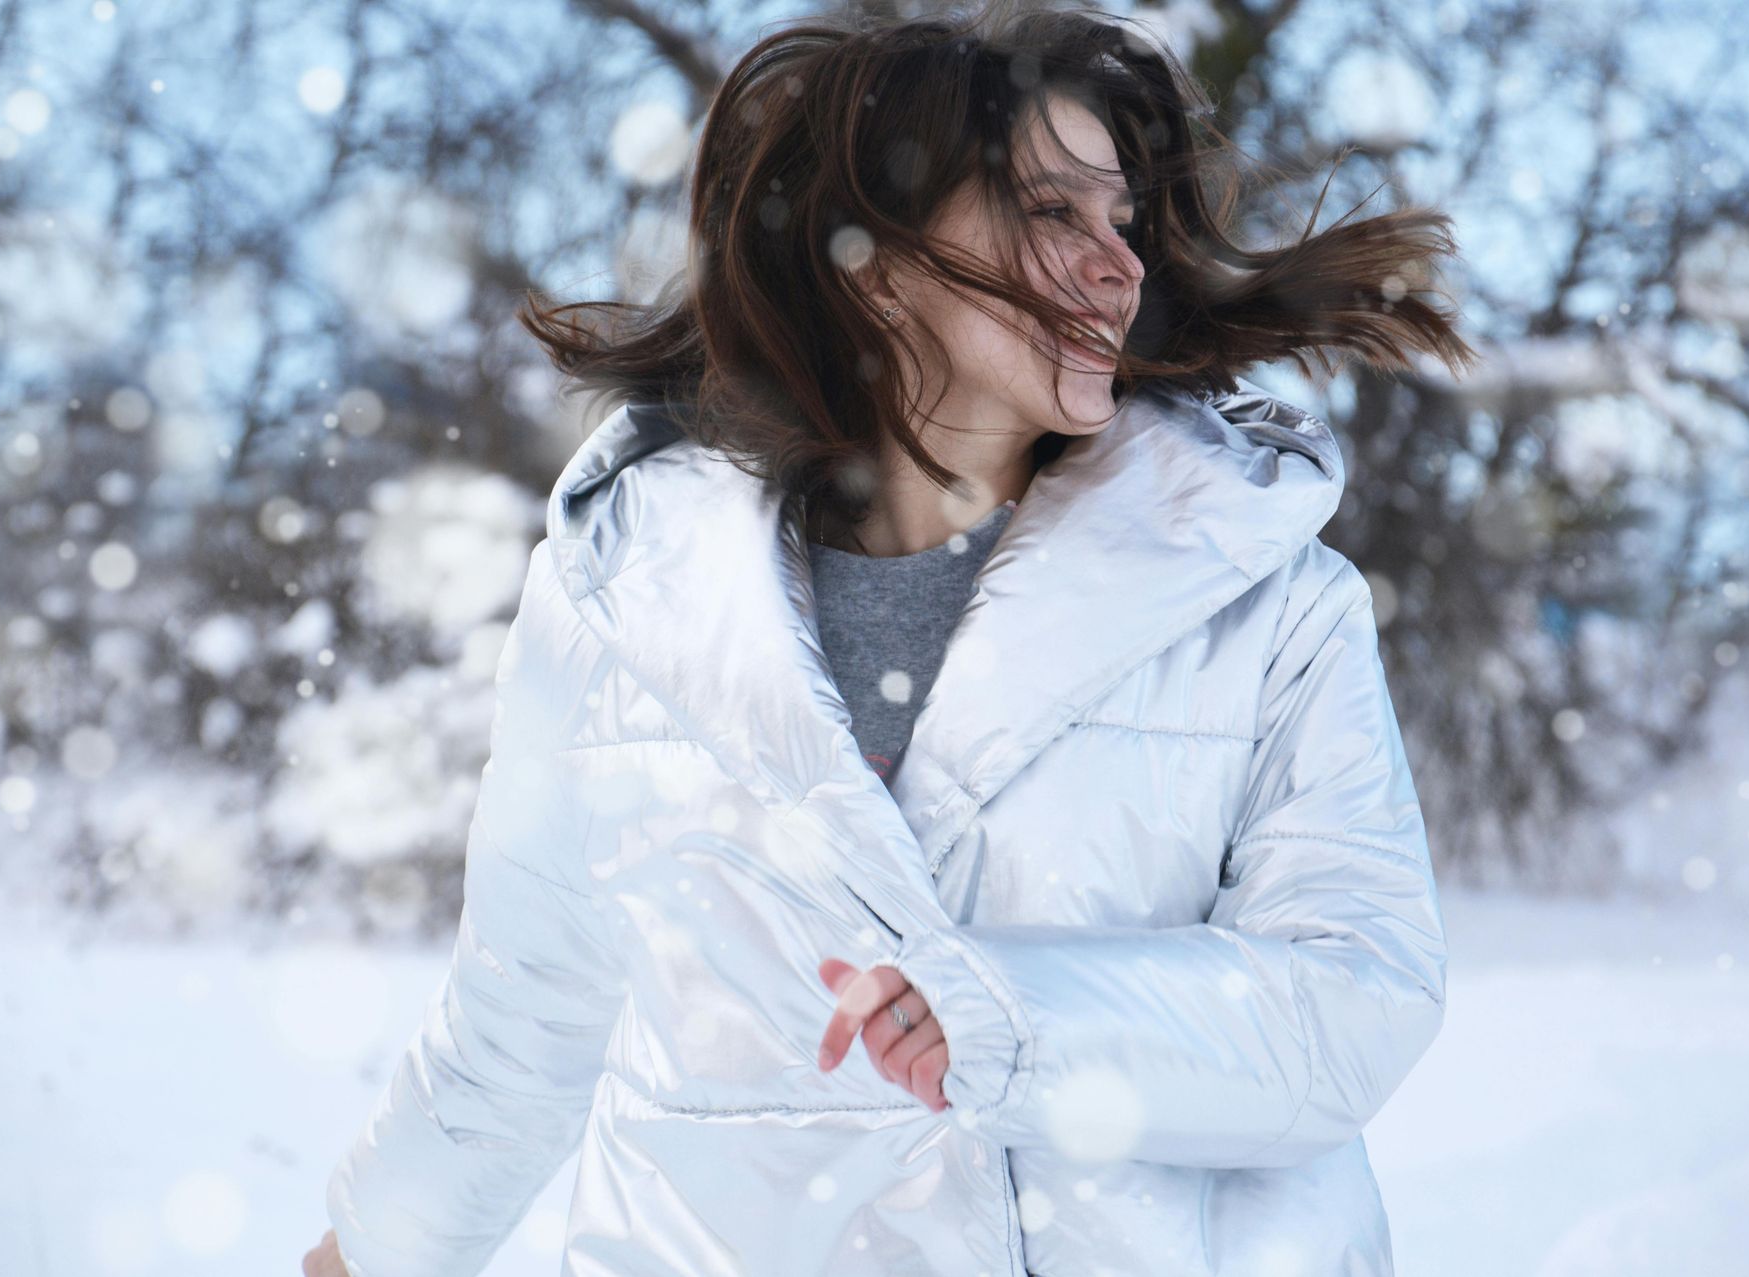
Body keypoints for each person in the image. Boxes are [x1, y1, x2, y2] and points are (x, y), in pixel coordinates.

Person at [306, 3, 1477, 1274]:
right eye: (1052, 211)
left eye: (1122, 221)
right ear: (873, 261)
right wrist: (365, 1253)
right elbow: (518, 1019)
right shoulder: (623, 599)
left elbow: (1354, 999)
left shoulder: (1265, 600)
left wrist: (1011, 1015)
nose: (1120, 265)